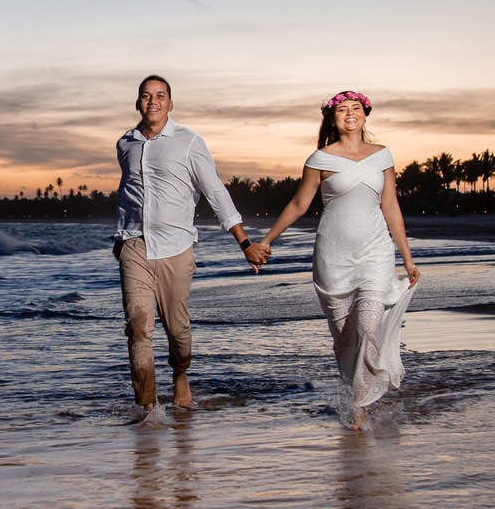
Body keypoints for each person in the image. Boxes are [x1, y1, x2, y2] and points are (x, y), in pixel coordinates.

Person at [259, 90, 420, 428]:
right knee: (345, 336)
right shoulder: (320, 159)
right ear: (332, 118)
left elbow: (390, 206)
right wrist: (268, 240)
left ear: (365, 114)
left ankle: (359, 406)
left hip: (376, 251)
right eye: (343, 109)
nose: (350, 113)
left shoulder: (383, 156)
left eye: (356, 108)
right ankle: (354, 389)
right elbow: (299, 205)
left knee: (368, 326)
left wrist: (407, 257)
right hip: (334, 256)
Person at [114, 75, 270, 412]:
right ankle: (148, 412)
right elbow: (128, 195)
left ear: (170, 103)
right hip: (135, 247)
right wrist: (122, 238)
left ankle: (181, 372)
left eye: (160, 96)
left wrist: (244, 243)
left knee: (178, 332)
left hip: (175, 249)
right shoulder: (125, 143)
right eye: (145, 95)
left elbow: (215, 192)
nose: (152, 101)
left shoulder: (189, 142)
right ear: (137, 102)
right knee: (138, 328)